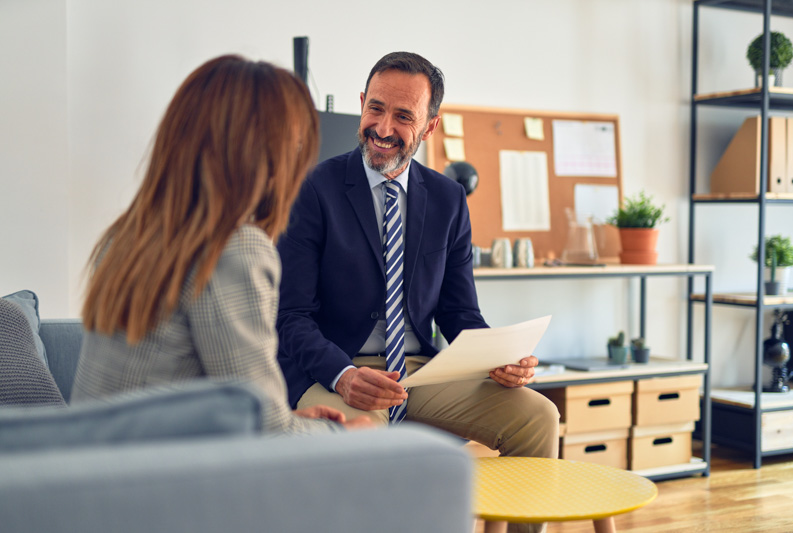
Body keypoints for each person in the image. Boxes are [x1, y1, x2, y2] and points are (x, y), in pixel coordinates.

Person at [276, 51, 559, 531]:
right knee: (369, 444)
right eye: (376, 108)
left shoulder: (448, 199)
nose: (383, 127)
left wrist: (499, 357)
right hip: (331, 368)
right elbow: (290, 317)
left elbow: (459, 313)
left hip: (418, 372)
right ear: (362, 103)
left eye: (404, 116)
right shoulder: (314, 188)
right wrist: (343, 374)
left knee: (539, 418)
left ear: (429, 126)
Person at [71, 55, 370, 434]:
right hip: (161, 485)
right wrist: (347, 435)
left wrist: (291, 422)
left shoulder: (128, 234)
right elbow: (269, 438)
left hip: (96, 474)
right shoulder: (233, 250)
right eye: (293, 147)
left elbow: (216, 407)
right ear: (262, 156)